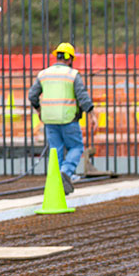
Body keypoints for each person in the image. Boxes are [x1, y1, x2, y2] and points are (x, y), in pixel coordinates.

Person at [28, 42, 95, 195]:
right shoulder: (72, 75)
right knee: (76, 147)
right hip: (68, 119)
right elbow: (82, 96)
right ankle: (66, 172)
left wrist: (39, 109)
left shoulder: (43, 74)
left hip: (49, 120)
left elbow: (32, 95)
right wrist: (91, 113)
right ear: (70, 59)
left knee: (55, 151)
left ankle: (56, 183)